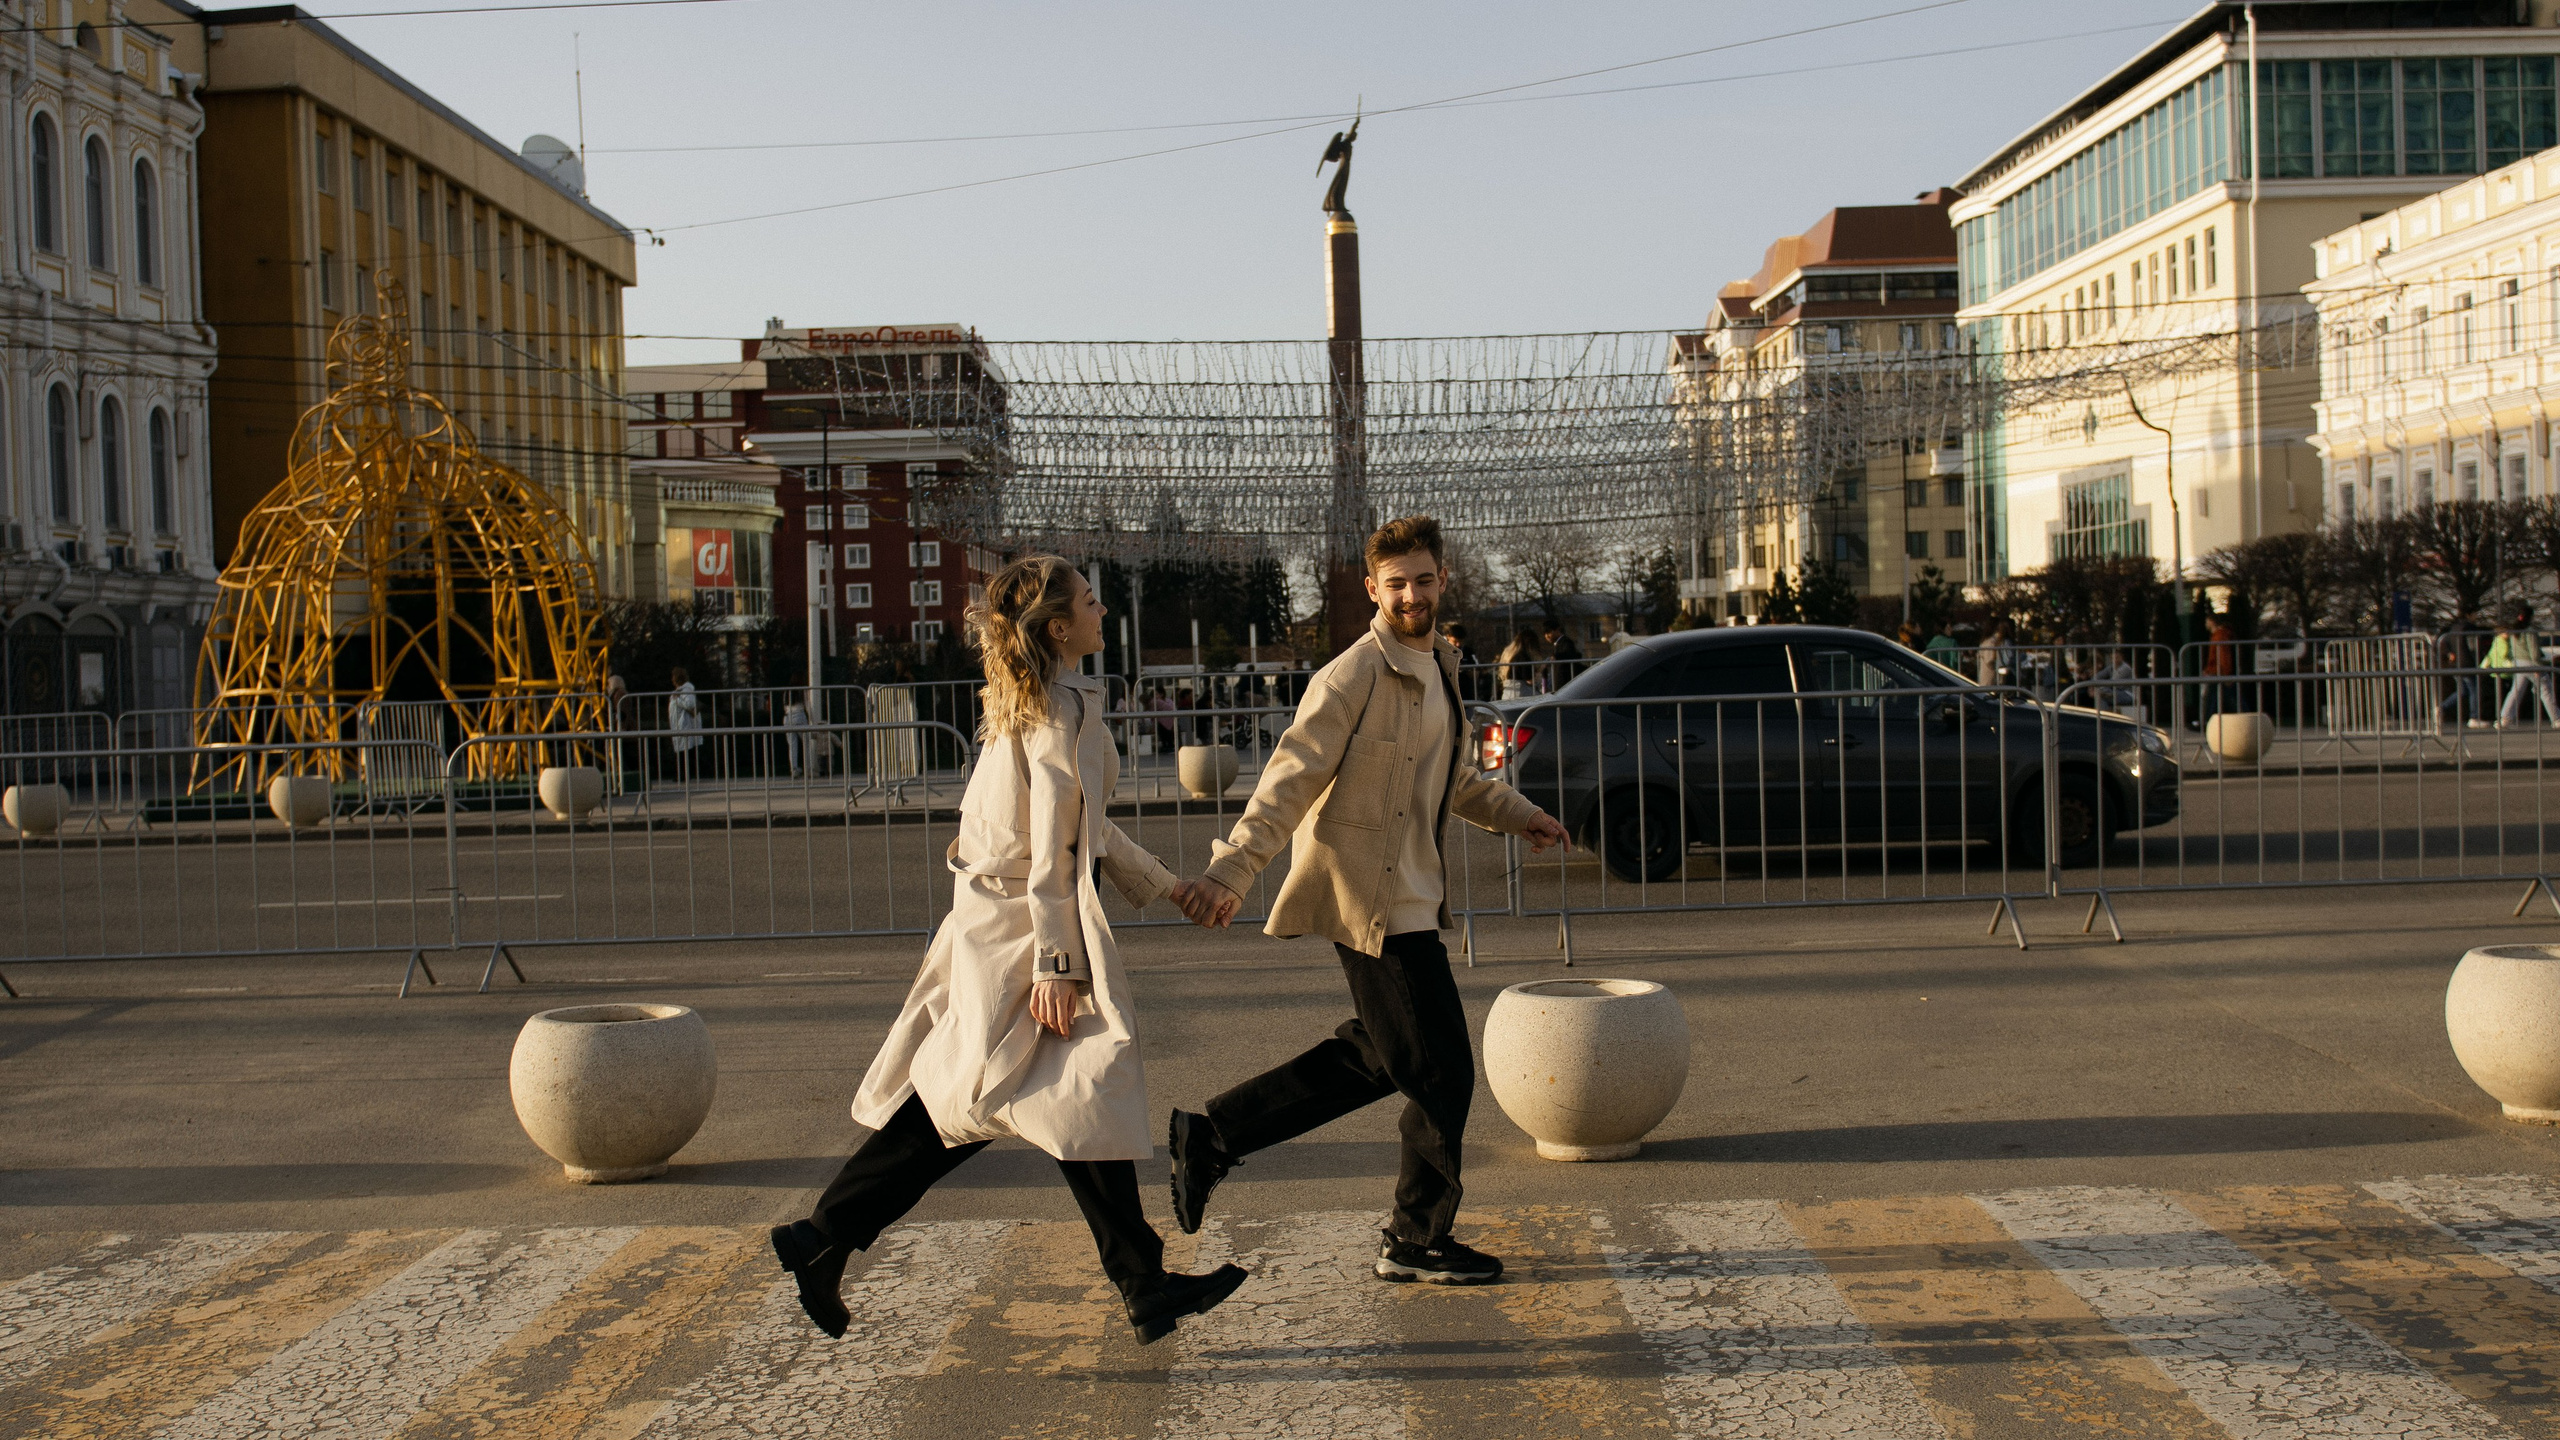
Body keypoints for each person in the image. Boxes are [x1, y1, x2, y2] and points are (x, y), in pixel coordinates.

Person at [769, 556, 1247, 1345]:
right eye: (1092, 603)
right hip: (1027, 925)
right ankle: (826, 1232)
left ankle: (1139, 1280)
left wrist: (1168, 885)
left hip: (1005, 917)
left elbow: (1083, 826)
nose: (1103, 614)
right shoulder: (1060, 709)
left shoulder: (1033, 702)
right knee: (1000, 1096)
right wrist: (1057, 964)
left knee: (1051, 1095)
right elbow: (1059, 845)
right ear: (1059, 628)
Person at [1167, 516, 1571, 1286]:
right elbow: (1290, 778)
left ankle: (1215, 1135)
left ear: (1442, 579)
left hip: (1414, 893)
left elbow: (1450, 778)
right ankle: (1414, 1240)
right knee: (1442, 1071)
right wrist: (1232, 869)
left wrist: (1520, 815)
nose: (1411, 595)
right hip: (1371, 899)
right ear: (1371, 589)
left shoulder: (1441, 664)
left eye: (1423, 580)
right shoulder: (1352, 675)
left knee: (1384, 1055)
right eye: (1396, 584)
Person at [2491, 605, 2559, 729]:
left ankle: (2505, 718)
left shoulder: (2514, 630)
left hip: (2519, 663)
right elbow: (2534, 651)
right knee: (2546, 690)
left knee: (2516, 690)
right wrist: (2538, 667)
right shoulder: (2529, 630)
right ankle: (2556, 718)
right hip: (2531, 663)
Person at [668, 667, 703, 776]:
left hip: (684, 724)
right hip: (679, 724)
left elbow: (690, 704)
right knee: (682, 750)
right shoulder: (679, 691)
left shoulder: (686, 690)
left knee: (685, 751)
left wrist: (677, 700)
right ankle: (682, 774)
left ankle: (684, 774)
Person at [1496, 625, 1543, 700]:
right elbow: (1529, 679)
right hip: (1520, 692)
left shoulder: (1511, 655)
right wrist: (1539, 671)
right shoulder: (1523, 656)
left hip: (1509, 691)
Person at [1541, 620, 1584, 688]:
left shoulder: (1566, 642)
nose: (1547, 636)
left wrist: (1556, 657)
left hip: (1565, 681)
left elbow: (1569, 655)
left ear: (1557, 630)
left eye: (1549, 632)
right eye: (1545, 634)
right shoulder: (1558, 644)